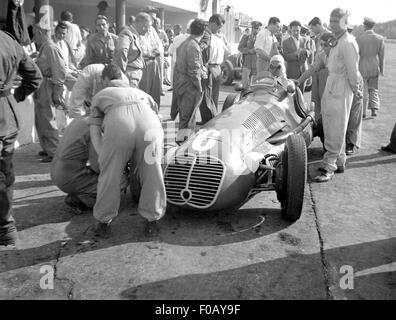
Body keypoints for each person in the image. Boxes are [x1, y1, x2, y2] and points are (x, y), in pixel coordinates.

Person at [88, 63, 166, 237]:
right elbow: (157, 115)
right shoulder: (141, 93)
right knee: (153, 173)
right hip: (150, 125)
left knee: (110, 176)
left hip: (119, 125)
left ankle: (103, 222)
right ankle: (152, 221)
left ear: (105, 80)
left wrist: (105, 159)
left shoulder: (101, 95)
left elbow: (94, 130)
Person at [0, 30, 42, 247]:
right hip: (7, 115)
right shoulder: (9, 40)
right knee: (5, 172)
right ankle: (6, 227)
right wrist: (13, 97)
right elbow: (35, 77)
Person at [314, 8, 361, 183]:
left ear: (345, 22)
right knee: (330, 123)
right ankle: (339, 161)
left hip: (341, 86)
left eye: (336, 21)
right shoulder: (336, 41)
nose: (333, 24)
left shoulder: (348, 42)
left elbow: (353, 71)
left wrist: (357, 90)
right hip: (332, 83)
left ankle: (329, 167)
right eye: (331, 20)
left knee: (336, 126)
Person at [33, 23, 70, 163]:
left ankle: (53, 150)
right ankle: (47, 147)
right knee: (41, 118)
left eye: (35, 34)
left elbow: (60, 70)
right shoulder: (46, 47)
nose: (33, 38)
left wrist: (57, 91)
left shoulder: (50, 47)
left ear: (41, 33)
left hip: (48, 85)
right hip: (42, 85)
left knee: (48, 118)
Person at [50, 117, 99, 214]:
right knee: (120, 180)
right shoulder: (93, 127)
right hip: (67, 177)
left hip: (56, 170)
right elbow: (97, 166)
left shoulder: (79, 120)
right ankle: (82, 198)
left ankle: (80, 194)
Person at [172, 18, 207, 143]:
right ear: (203, 32)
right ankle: (184, 145)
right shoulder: (193, 46)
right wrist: (199, 87)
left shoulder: (184, 42)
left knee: (185, 116)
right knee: (188, 118)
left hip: (181, 83)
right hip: (189, 86)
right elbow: (193, 70)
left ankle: (182, 143)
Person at [199, 14, 229, 124]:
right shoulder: (205, 35)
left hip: (216, 67)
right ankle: (207, 120)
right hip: (210, 67)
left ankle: (212, 118)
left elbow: (227, 52)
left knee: (213, 96)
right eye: (218, 26)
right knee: (207, 96)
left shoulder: (217, 37)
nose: (219, 29)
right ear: (212, 23)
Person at [356, 17, 385, 118]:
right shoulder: (380, 38)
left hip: (362, 66)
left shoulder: (359, 38)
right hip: (374, 66)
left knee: (363, 90)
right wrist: (381, 69)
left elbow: (356, 55)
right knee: (373, 89)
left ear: (365, 26)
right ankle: (374, 109)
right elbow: (381, 56)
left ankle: (363, 112)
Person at [138, 9, 164, 107]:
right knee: (144, 90)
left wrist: (153, 52)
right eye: (150, 18)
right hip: (143, 63)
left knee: (155, 90)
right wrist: (150, 53)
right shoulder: (138, 31)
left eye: (153, 19)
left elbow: (158, 47)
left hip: (154, 62)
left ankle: (155, 111)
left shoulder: (152, 30)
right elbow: (141, 50)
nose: (153, 21)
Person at [114, 13, 147, 88]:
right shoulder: (127, 33)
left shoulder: (135, 35)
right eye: (147, 27)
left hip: (133, 75)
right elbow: (121, 51)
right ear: (143, 26)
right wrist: (121, 75)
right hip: (129, 76)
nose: (147, 31)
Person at [282, 21, 314, 90]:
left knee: (301, 95)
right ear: (290, 30)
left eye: (298, 31)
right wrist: (296, 53)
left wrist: (306, 52)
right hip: (292, 72)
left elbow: (310, 52)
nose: (296, 33)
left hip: (304, 72)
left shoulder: (306, 40)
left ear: (300, 29)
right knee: (292, 95)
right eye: (294, 31)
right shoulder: (285, 42)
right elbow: (286, 57)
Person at [238, 20, 262, 87]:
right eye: (256, 28)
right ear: (252, 28)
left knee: (255, 84)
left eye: (259, 29)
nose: (257, 30)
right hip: (247, 63)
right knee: (244, 84)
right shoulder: (246, 36)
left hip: (257, 63)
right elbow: (240, 48)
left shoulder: (261, 38)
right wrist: (249, 50)